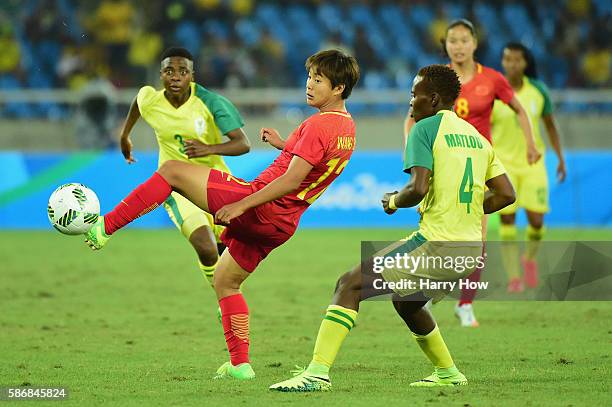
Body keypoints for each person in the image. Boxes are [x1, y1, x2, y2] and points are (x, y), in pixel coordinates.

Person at [84, 49, 360, 380]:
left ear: (339, 88)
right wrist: (283, 145)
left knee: (172, 171)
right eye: (309, 77)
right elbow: (312, 163)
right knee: (225, 281)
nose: (309, 84)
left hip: (261, 205)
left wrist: (244, 204)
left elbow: (292, 178)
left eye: (318, 80)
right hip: (283, 224)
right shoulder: (346, 127)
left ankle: (104, 227)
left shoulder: (317, 124)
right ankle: (239, 365)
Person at [269, 64, 516, 392]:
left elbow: (417, 189)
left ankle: (317, 373)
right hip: (469, 250)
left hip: (438, 244)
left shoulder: (424, 129)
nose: (410, 101)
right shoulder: (477, 139)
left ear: (435, 98)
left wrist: (393, 202)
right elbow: (506, 194)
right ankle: (448, 372)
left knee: (349, 284)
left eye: (415, 94)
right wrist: (466, 209)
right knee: (407, 300)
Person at [404, 19, 539, 327]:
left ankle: (465, 304)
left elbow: (520, 108)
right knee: (434, 232)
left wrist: (530, 142)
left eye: (464, 40)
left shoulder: (491, 79)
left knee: (475, 239)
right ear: (446, 44)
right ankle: (429, 290)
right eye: (453, 40)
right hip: (439, 164)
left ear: (475, 44)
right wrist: (413, 152)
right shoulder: (435, 79)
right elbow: (410, 116)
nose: (459, 46)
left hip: (474, 169)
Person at [118, 47, 250, 290]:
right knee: (206, 248)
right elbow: (138, 102)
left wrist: (208, 149)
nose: (175, 76)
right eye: (169, 71)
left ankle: (229, 293)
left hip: (215, 183)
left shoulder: (210, 103)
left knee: (226, 252)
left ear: (192, 75)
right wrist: (125, 135)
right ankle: (224, 299)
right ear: (161, 75)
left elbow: (243, 143)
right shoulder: (151, 100)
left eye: (182, 71)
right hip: (176, 186)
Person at [491, 43, 566, 292]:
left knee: (536, 220)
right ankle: (514, 277)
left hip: (533, 163)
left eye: (516, 60)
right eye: (507, 59)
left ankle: (530, 260)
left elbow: (550, 125)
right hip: (503, 164)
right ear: (502, 62)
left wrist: (560, 157)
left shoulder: (538, 91)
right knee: (508, 220)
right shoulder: (494, 90)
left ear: (525, 63)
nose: (512, 64)